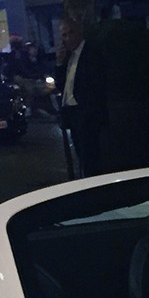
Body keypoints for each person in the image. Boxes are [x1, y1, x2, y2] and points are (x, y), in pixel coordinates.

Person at [56, 16, 107, 179]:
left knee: (90, 155)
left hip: (86, 111)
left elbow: (96, 83)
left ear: (79, 32)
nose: (68, 38)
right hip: (73, 111)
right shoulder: (68, 57)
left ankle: (93, 186)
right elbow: (61, 84)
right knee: (81, 154)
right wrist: (59, 63)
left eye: (71, 33)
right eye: (64, 35)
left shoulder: (91, 53)